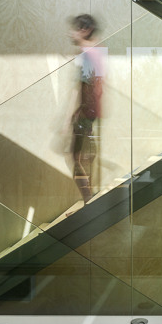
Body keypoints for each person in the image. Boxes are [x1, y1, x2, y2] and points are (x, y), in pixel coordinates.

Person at [69, 14, 106, 203]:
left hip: (87, 111)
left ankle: (88, 201)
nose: (71, 32)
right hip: (91, 111)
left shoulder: (87, 53)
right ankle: (89, 200)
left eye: (76, 28)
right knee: (85, 156)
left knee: (76, 156)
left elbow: (89, 85)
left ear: (86, 29)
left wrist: (82, 111)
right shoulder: (96, 51)